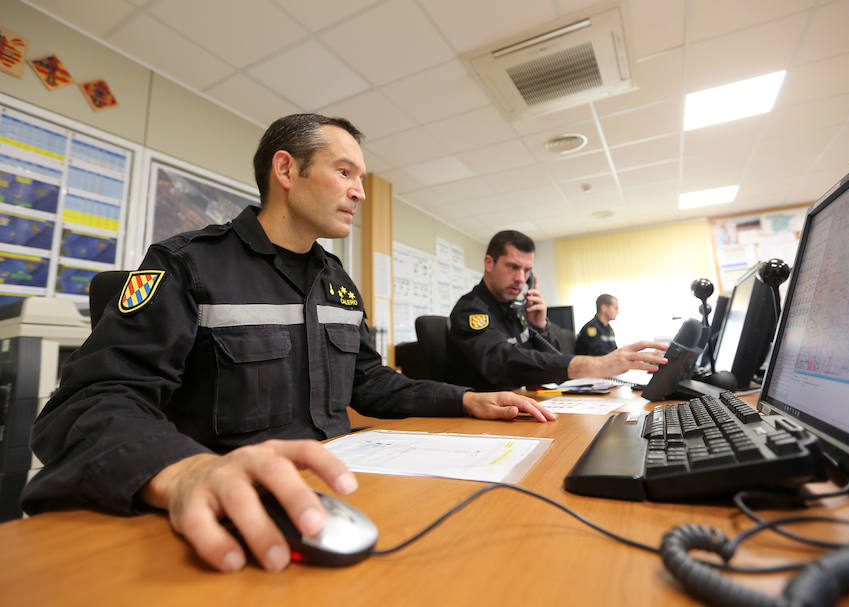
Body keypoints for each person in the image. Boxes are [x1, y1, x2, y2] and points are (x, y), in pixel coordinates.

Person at [22, 114, 555, 574]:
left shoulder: (338, 281)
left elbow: (370, 382)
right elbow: (90, 401)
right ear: (286, 171)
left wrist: (465, 399)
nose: (360, 192)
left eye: (361, 178)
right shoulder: (187, 264)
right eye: (344, 172)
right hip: (236, 505)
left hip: (343, 487)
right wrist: (185, 472)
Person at [447, 231, 667, 390]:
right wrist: (596, 364)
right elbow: (502, 363)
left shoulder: (516, 309)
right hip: (483, 417)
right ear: (489, 263)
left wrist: (541, 328)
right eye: (513, 267)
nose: (521, 279)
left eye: (527, 271)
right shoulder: (471, 311)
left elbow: (552, 360)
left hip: (524, 402)